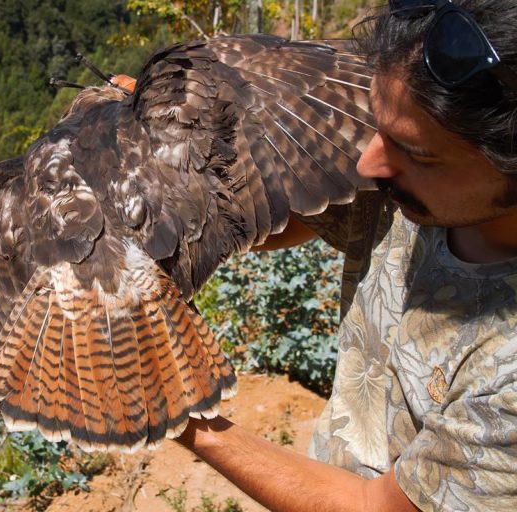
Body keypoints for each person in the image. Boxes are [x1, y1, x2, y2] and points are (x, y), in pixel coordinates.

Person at [174, 1, 517, 511]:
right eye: (378, 125)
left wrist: (176, 412)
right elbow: (282, 220)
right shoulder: (424, 193)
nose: (369, 160)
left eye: (416, 152)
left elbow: (372, 507)